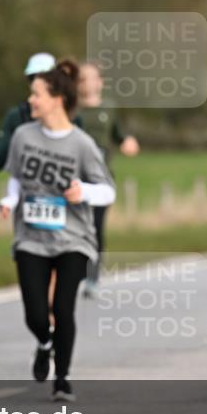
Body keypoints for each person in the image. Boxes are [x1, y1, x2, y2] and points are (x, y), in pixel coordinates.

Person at [0, 59, 115, 402]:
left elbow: (108, 189)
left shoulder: (81, 144)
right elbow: (16, 178)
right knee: (36, 313)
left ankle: (62, 378)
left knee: (63, 309)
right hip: (31, 238)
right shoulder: (23, 136)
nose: (30, 101)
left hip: (73, 240)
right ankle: (44, 342)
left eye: (36, 94)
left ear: (56, 99)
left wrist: (84, 192)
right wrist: (10, 199)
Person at [75, 61, 139, 293]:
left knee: (96, 227)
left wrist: (128, 142)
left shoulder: (109, 108)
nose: (88, 83)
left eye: (92, 78)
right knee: (78, 227)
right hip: (77, 179)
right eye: (83, 79)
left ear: (100, 82)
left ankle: (93, 275)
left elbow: (119, 133)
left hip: (102, 179)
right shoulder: (73, 110)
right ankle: (75, 271)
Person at [0, 53, 57, 173]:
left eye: (45, 78)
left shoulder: (71, 117)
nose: (37, 83)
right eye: (33, 78)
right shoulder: (16, 116)